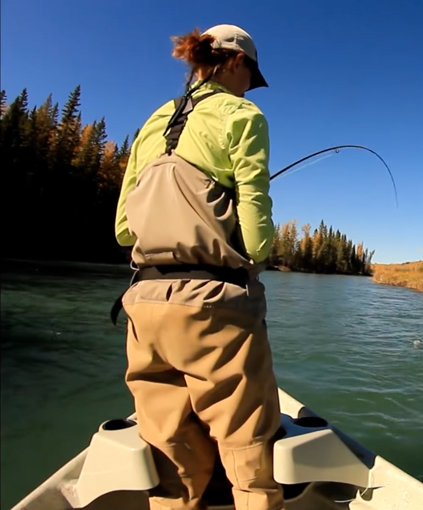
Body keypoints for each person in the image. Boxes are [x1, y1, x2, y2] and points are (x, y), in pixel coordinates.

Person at [113, 24, 284, 510]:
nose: (251, 84)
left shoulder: (155, 120)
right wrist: (256, 255)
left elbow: (125, 229)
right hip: (215, 305)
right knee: (247, 446)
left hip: (143, 305)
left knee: (170, 455)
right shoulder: (243, 114)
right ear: (233, 61)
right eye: (251, 72)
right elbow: (255, 206)